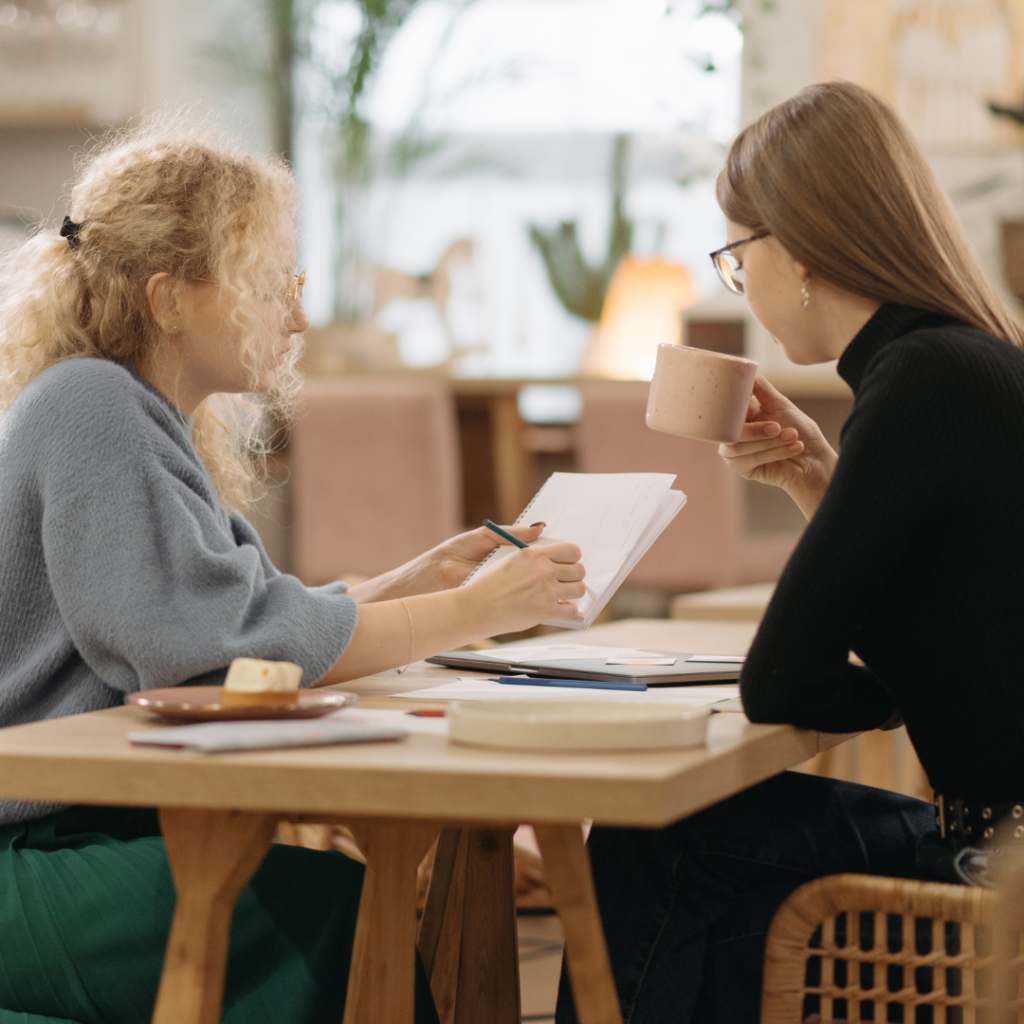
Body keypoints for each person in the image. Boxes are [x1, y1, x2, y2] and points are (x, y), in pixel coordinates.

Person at [0, 118, 586, 1024]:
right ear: (168, 298)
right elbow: (210, 656)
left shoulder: (134, 412)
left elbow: (237, 618)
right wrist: (470, 613)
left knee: (343, 904)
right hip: (33, 857)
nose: (299, 314)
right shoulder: (92, 406)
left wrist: (412, 582)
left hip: (86, 827)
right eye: (272, 285)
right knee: (339, 918)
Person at [555, 80, 1024, 1024]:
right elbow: (957, 625)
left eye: (736, 256)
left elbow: (782, 680)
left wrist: (894, 699)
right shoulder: (976, 359)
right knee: (712, 879)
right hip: (997, 843)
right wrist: (819, 475)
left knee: (655, 841)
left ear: (798, 250)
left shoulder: (918, 381)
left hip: (993, 871)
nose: (742, 284)